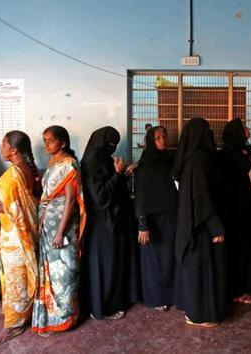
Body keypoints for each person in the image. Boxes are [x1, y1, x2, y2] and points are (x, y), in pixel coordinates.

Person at [0, 131, 41, 346]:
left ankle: (13, 325)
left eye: (3, 144)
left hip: (15, 235)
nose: (1, 147)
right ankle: (22, 311)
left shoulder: (14, 174)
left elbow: (13, 209)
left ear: (13, 149)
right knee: (22, 276)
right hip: (24, 232)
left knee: (15, 279)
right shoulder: (27, 169)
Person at [32, 126, 86, 336]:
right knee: (49, 272)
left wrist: (60, 232)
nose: (46, 145)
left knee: (63, 272)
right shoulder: (53, 162)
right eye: (44, 140)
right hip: (48, 225)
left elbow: (71, 200)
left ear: (63, 143)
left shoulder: (69, 164)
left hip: (62, 229)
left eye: (51, 140)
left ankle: (66, 318)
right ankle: (50, 317)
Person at [81, 126, 139, 320]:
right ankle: (106, 306)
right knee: (106, 266)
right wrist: (117, 174)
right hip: (102, 224)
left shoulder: (102, 159)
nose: (113, 148)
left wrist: (123, 175)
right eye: (111, 144)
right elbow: (101, 197)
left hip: (110, 222)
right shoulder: (91, 162)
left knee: (111, 264)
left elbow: (111, 187)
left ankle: (108, 303)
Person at [173, 117, 226, 328]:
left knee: (196, 270)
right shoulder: (199, 159)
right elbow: (202, 197)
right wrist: (216, 226)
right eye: (208, 131)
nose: (211, 135)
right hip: (202, 225)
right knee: (202, 271)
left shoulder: (190, 159)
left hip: (192, 223)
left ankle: (194, 310)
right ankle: (198, 314)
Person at [218, 118, 251, 305]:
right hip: (237, 211)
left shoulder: (245, 152)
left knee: (246, 249)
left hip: (246, 210)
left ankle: (244, 288)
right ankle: (239, 291)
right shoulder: (230, 155)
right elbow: (246, 181)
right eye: (243, 127)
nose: (247, 129)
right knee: (239, 250)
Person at [134, 126, 178, 312]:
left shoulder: (169, 160)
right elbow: (142, 195)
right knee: (154, 261)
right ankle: (156, 298)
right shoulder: (146, 164)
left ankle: (170, 295)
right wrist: (143, 225)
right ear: (151, 141)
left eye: (164, 137)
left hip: (170, 216)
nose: (162, 141)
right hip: (152, 221)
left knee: (169, 259)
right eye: (158, 138)